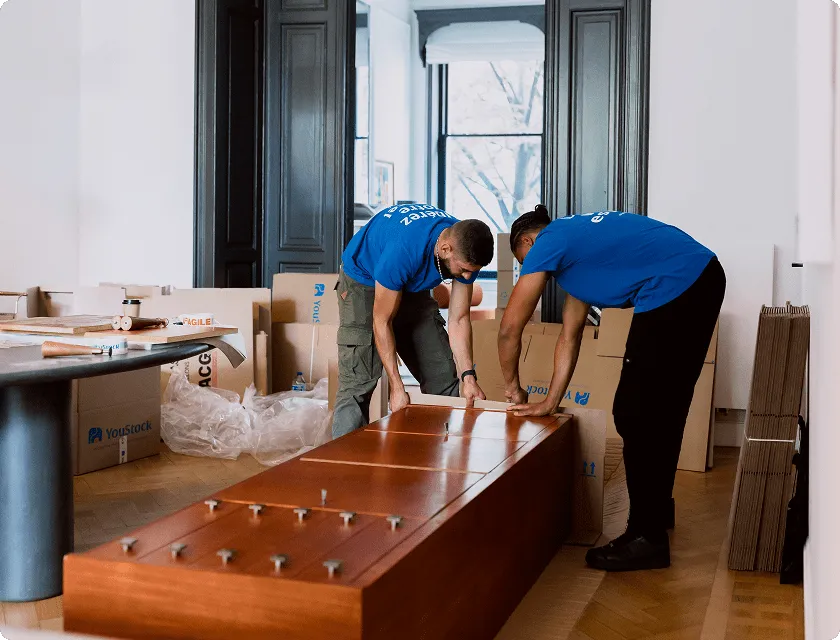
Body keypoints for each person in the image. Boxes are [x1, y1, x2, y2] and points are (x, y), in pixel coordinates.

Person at [498, 205, 725, 571]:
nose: (530, 269)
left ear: (527, 241)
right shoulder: (577, 257)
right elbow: (569, 338)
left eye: (523, 261)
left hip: (679, 284)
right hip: (700, 277)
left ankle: (644, 537)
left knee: (635, 412)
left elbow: (510, 329)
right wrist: (551, 400)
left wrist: (513, 388)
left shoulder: (550, 241)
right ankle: (656, 513)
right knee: (663, 407)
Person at [332, 203, 494, 438]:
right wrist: (397, 387)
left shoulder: (466, 247)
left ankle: (439, 459)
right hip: (364, 280)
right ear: (445, 249)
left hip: (411, 280)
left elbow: (458, 319)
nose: (469, 277)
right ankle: (343, 469)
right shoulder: (403, 250)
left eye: (473, 271)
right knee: (359, 381)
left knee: (443, 375)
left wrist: (468, 376)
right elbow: (381, 321)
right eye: (464, 270)